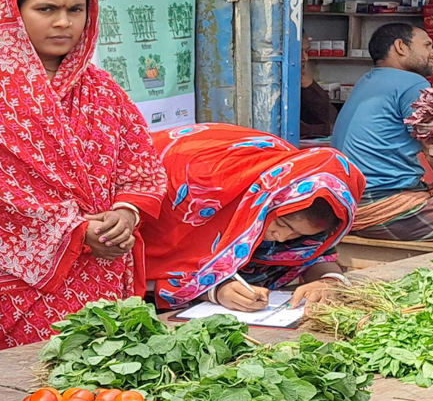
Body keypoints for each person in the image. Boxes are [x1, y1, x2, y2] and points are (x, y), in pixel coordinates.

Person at [0, 0, 167, 357]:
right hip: (19, 278)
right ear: (16, 12)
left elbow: (140, 165)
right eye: (46, 9)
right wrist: (78, 232)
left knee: (103, 391)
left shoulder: (102, 88)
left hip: (105, 265)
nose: (63, 22)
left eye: (75, 10)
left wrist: (125, 213)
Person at [136, 124, 364, 311]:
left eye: (298, 234)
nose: (282, 238)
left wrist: (330, 281)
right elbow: (142, 264)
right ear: (269, 202)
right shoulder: (200, 189)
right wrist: (213, 291)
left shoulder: (289, 187)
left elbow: (315, 256)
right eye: (282, 223)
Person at [331, 22, 433, 242]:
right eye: (427, 45)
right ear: (400, 47)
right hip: (385, 205)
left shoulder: (368, 80)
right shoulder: (411, 83)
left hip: (349, 203)